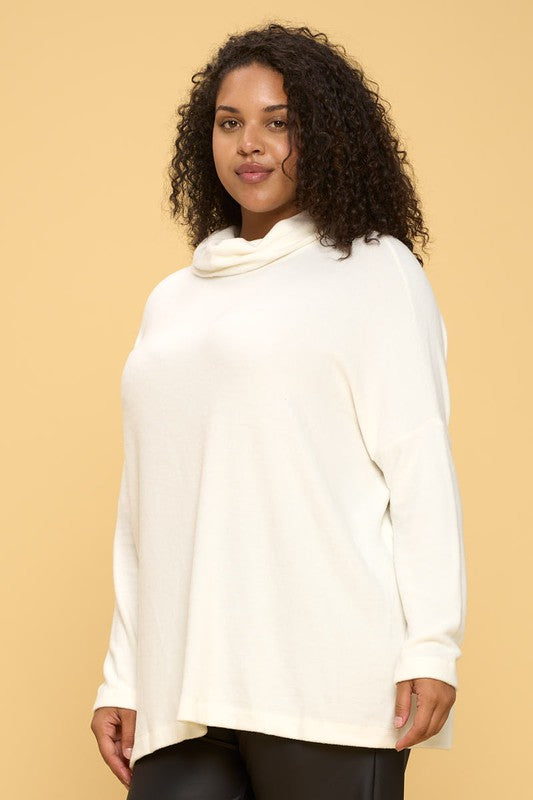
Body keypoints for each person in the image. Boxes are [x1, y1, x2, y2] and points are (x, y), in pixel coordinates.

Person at [90, 22, 467, 800]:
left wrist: (432, 646)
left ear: (322, 135)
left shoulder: (372, 270)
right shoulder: (173, 300)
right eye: (229, 123)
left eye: (278, 122)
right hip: (181, 688)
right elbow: (145, 504)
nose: (250, 144)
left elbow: (418, 462)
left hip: (324, 681)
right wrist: (122, 674)